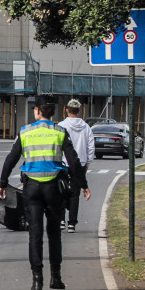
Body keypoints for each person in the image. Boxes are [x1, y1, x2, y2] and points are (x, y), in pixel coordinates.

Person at [0, 100, 90, 290]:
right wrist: (83, 185)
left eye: (34, 109)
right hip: (53, 188)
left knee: (35, 234)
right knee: (54, 233)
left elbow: (11, 159)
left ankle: (37, 280)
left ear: (38, 111)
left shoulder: (25, 132)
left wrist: (3, 183)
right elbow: (73, 161)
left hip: (31, 187)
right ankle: (56, 277)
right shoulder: (59, 131)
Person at [58, 99, 94, 233]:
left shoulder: (61, 126)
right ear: (79, 111)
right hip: (80, 165)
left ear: (67, 110)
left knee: (60, 192)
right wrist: (87, 164)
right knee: (74, 194)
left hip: (62, 164)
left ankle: (61, 220)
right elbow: (91, 148)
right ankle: (72, 223)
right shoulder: (86, 127)